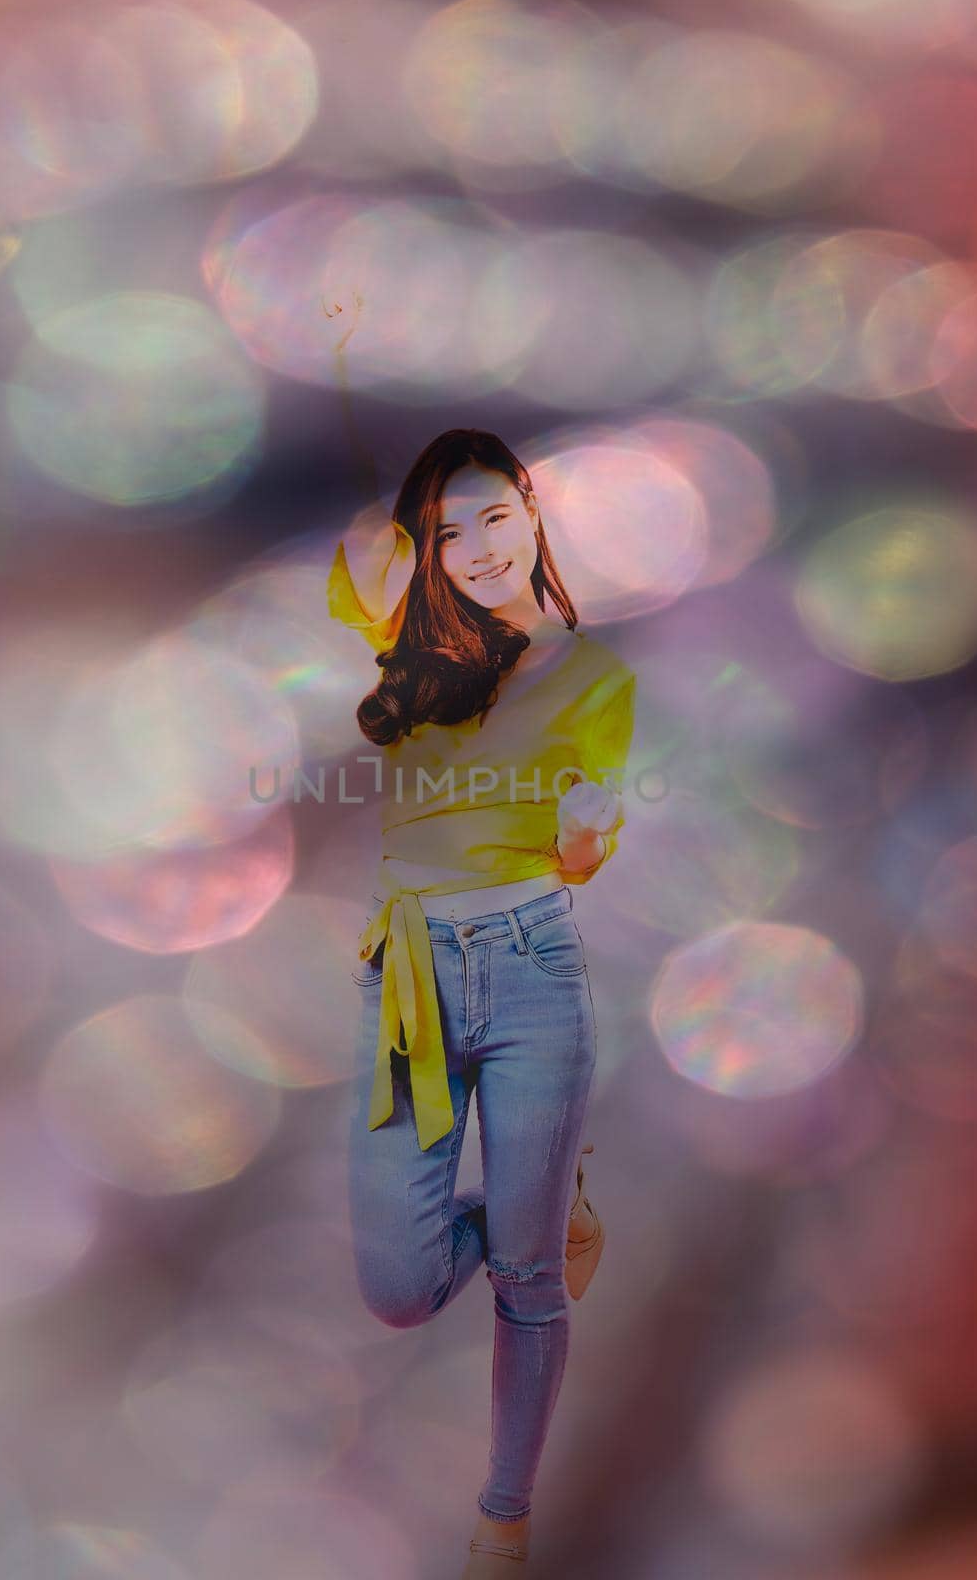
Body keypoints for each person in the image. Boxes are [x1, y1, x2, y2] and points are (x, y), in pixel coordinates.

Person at [326, 428, 636, 1575]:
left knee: (525, 1285)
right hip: (403, 971)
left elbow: (579, 852)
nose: (477, 548)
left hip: (530, 965)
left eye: (494, 517)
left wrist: (585, 834)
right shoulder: (403, 636)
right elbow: (363, 553)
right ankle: (547, 1208)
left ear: (533, 510)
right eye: (448, 533)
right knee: (401, 1289)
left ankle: (501, 1521)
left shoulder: (595, 677)